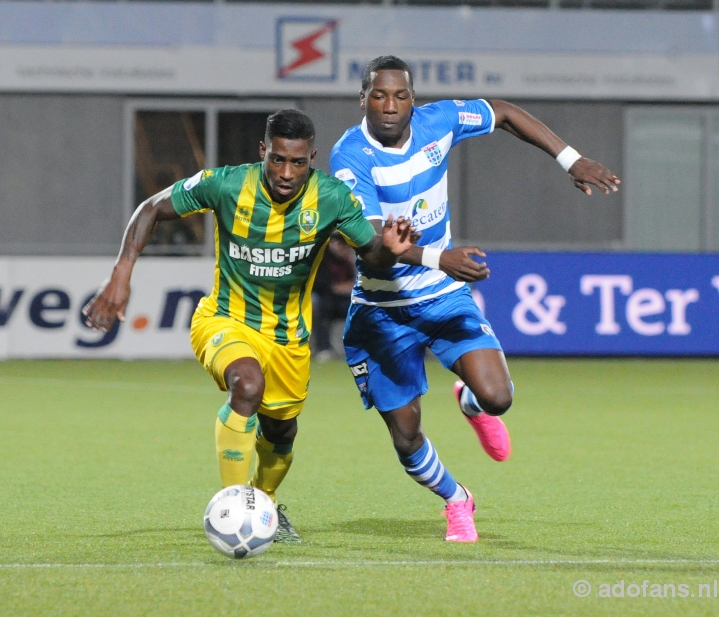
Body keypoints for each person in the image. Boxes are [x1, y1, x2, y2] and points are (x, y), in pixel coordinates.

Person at [84, 109, 416, 543]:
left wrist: (389, 249)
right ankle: (234, 508)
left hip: (288, 340)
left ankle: (265, 503)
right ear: (263, 151)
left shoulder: (331, 197)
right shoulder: (225, 184)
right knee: (246, 385)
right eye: (277, 159)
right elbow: (150, 209)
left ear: (311, 159)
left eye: (298, 163)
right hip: (224, 319)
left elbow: (371, 250)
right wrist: (121, 273)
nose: (286, 172)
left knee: (281, 432)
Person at [329, 56, 621, 542]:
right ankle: (457, 499)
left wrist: (571, 159)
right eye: (379, 95)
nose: (390, 105)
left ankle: (468, 400)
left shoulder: (438, 122)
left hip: (441, 296)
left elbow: (502, 111)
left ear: (413, 100)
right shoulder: (350, 157)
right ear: (363, 99)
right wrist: (436, 257)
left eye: (400, 95)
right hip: (381, 312)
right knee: (405, 438)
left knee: (498, 397)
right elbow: (373, 251)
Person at [310, 232, 357, 361]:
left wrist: (343, 287)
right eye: (343, 246)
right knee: (317, 304)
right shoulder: (322, 258)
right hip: (322, 297)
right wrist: (339, 287)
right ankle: (323, 348)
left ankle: (361, 347)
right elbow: (322, 284)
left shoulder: (347, 260)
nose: (345, 250)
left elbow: (354, 282)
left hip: (343, 298)